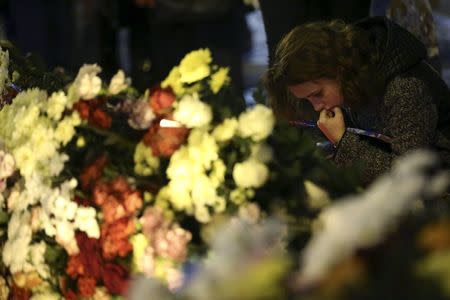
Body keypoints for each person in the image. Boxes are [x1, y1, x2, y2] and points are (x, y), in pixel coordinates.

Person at [263, 16, 450, 184]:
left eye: (317, 94)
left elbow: (409, 176)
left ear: (340, 70)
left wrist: (343, 140)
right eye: (307, 99)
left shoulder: (405, 88)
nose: (317, 106)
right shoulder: (351, 81)